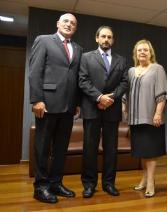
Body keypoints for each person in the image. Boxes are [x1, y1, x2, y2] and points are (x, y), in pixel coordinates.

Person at [28, 13, 82, 203]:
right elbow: (35, 71)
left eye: (73, 23)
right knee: (42, 148)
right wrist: (36, 99)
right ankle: (40, 187)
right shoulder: (43, 41)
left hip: (68, 107)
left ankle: (56, 183)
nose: (69, 24)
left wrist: (76, 104)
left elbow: (75, 79)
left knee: (61, 148)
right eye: (66, 21)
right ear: (58, 23)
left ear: (75, 28)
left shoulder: (78, 48)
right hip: (47, 104)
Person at [79, 26, 128, 198]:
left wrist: (111, 98)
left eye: (109, 37)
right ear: (97, 38)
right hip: (92, 108)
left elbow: (124, 83)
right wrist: (99, 98)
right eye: (103, 36)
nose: (106, 39)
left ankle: (109, 183)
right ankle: (89, 184)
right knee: (89, 148)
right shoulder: (85, 58)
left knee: (111, 149)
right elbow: (83, 81)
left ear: (113, 40)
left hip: (112, 110)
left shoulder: (121, 60)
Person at [125, 39, 167, 198]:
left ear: (151, 52)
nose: (142, 52)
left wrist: (158, 113)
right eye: (139, 50)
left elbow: (163, 93)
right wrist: (125, 109)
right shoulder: (131, 71)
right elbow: (126, 93)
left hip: (151, 117)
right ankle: (144, 179)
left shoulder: (157, 69)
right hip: (135, 119)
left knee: (150, 152)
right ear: (135, 54)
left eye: (145, 50)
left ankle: (151, 182)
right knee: (142, 152)